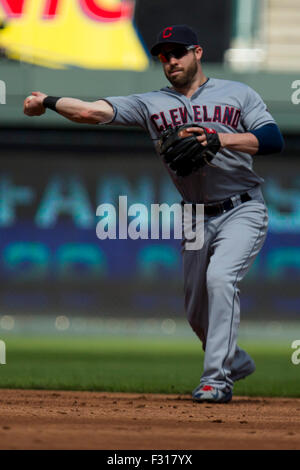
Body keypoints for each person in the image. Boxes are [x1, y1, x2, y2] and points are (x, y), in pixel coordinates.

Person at [24, 24, 284, 403]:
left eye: (178, 52)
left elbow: (273, 139)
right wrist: (46, 100)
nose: (171, 60)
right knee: (197, 313)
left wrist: (219, 137)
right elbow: (91, 112)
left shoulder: (238, 93)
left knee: (220, 279)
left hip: (241, 207)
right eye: (164, 55)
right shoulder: (151, 103)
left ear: (197, 52)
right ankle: (234, 359)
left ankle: (216, 380)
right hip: (194, 215)